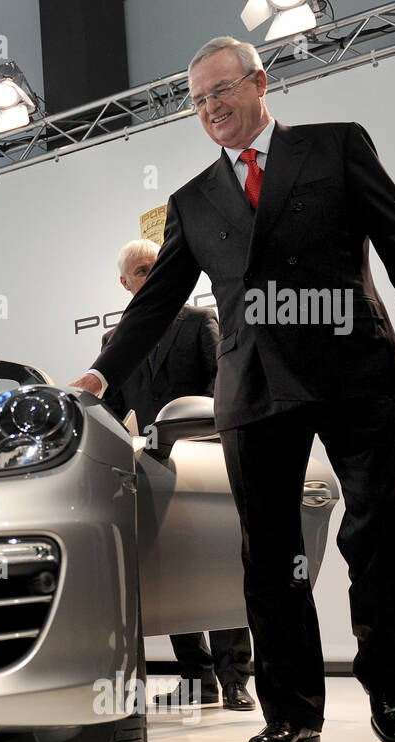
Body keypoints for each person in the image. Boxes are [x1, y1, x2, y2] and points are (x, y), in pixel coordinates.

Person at [69, 36, 395, 742]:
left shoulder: (335, 146)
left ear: (259, 81)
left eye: (221, 91)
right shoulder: (191, 200)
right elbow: (155, 306)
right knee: (269, 554)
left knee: (380, 527)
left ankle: (386, 677)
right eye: (198, 101)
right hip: (253, 386)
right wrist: (101, 375)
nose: (211, 108)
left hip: (352, 367)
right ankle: (292, 712)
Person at [103, 238, 255, 712]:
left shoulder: (197, 320)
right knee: (173, 568)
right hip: (153, 466)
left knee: (221, 563)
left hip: (208, 460)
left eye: (155, 267)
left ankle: (235, 680)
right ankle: (197, 679)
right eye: (140, 271)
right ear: (125, 284)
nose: (150, 276)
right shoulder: (113, 342)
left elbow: (221, 385)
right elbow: (110, 409)